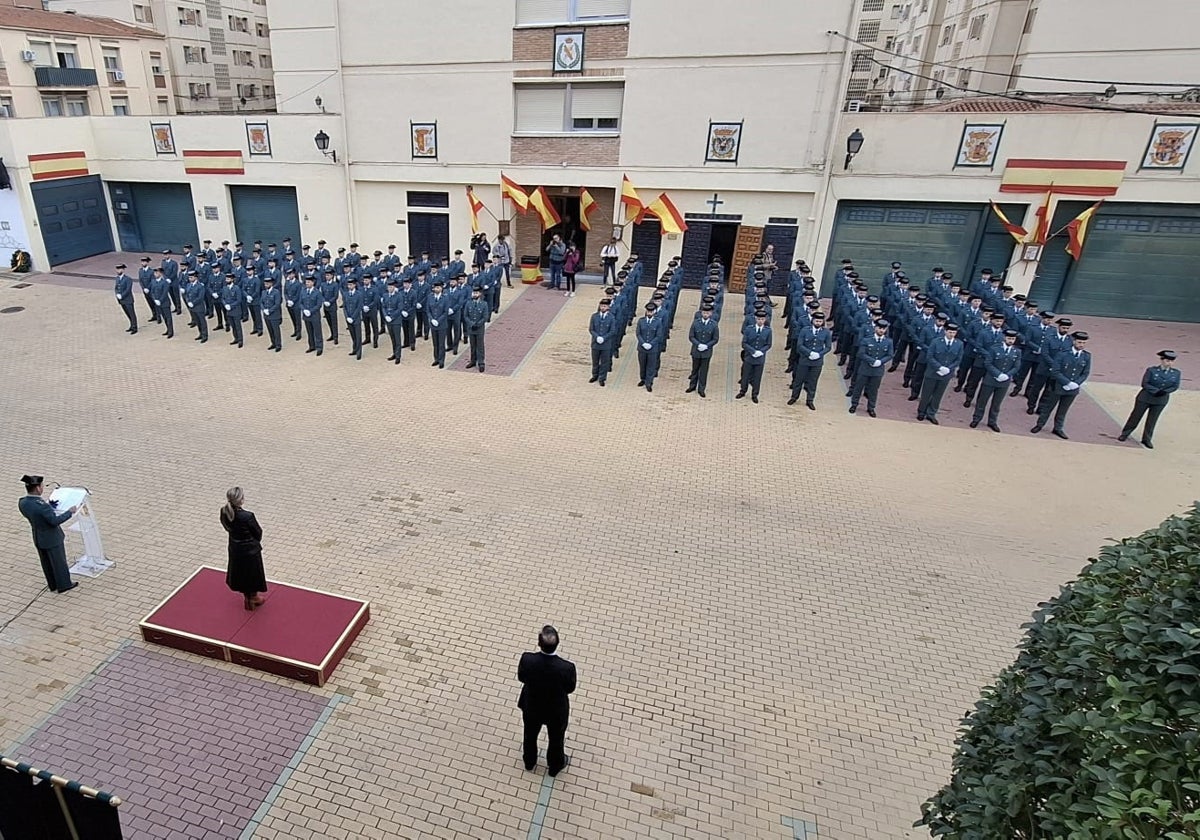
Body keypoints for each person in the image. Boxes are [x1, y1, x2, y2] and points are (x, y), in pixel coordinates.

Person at [518, 625, 577, 777]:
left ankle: (529, 761)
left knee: (529, 734)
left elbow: (522, 677)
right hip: (555, 711)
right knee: (556, 738)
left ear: (539, 643)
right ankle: (555, 765)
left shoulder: (527, 659)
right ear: (558, 643)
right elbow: (570, 688)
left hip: (532, 706)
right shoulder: (567, 668)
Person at [18, 474, 79, 593]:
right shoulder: (42, 507)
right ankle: (64, 584)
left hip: (38, 537)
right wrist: (69, 512)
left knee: (46, 563)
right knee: (59, 562)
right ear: (37, 488)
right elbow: (54, 521)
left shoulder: (23, 502)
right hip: (52, 538)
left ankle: (52, 584)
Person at [1032, 330, 1091, 440]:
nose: (1081, 345)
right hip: (1058, 386)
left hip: (1073, 388)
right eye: (1079, 342)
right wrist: (1067, 382)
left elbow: (1085, 373)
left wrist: (1075, 384)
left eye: (1083, 343)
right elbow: (1055, 371)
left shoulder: (1086, 356)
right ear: (1074, 342)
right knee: (1048, 407)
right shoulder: (1063, 354)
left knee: (1063, 410)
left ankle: (1058, 428)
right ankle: (1039, 424)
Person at [1119, 350, 1181, 449]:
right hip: (1146, 397)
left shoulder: (1176, 373)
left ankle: (1147, 439)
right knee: (1136, 416)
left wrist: (1165, 392)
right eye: (1167, 360)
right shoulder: (1152, 370)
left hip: (1161, 400)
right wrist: (1155, 391)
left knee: (1152, 420)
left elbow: (1175, 386)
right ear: (1162, 360)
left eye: (1171, 361)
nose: (1169, 363)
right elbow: (1145, 383)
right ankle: (1125, 433)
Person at [219, 486, 267, 611]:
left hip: (235, 549)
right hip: (250, 551)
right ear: (241, 500)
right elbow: (258, 532)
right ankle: (253, 598)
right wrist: (254, 542)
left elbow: (226, 527)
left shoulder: (224, 511)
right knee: (253, 574)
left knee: (241, 574)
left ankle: (247, 597)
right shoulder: (247, 516)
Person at [971, 329, 1022, 432]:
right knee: (982, 401)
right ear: (1004, 338)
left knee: (996, 403)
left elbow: (1016, 366)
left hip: (1004, 381)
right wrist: (998, 374)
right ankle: (976, 419)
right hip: (990, 379)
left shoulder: (1017, 351)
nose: (1011, 340)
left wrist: (1007, 375)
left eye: (1012, 339)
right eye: (1009, 338)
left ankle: (992, 421)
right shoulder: (994, 349)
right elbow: (988, 363)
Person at [916, 322, 963, 425]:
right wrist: (939, 367)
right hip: (933, 372)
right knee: (926, 393)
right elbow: (930, 356)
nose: (951, 334)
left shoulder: (959, 344)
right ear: (945, 331)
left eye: (954, 333)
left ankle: (931, 413)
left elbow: (958, 359)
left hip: (946, 373)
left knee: (938, 394)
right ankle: (921, 411)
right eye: (950, 332)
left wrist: (948, 369)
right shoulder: (936, 342)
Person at [849, 320, 894, 417]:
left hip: (877, 370)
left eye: (884, 329)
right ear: (875, 328)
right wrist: (872, 361)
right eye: (880, 328)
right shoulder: (867, 340)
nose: (881, 330)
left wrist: (880, 362)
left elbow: (890, 355)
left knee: (873, 390)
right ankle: (854, 404)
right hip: (865, 368)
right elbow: (861, 353)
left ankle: (871, 407)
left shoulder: (888, 342)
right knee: (858, 387)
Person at [787, 311, 831, 409]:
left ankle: (810, 400)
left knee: (813, 381)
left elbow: (828, 347)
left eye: (820, 321)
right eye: (816, 321)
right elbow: (800, 345)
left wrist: (819, 354)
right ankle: (794, 397)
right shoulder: (805, 330)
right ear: (812, 320)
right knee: (799, 380)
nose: (818, 323)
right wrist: (809, 353)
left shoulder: (826, 332)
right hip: (804, 360)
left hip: (817, 362)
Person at [737, 310, 772, 403]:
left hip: (760, 358)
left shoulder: (768, 331)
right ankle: (742, 391)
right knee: (745, 375)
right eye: (759, 319)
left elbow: (768, 344)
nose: (760, 321)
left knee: (757, 377)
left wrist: (761, 351)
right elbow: (744, 343)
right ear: (755, 319)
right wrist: (752, 351)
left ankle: (755, 394)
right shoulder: (749, 329)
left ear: (765, 320)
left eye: (762, 319)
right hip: (749, 357)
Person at [686, 303, 719, 398]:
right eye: (704, 312)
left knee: (704, 371)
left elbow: (715, 339)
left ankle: (701, 388)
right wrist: (698, 344)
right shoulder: (696, 323)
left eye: (707, 313)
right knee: (694, 369)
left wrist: (706, 346)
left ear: (711, 313)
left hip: (706, 352)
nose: (705, 314)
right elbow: (691, 336)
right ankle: (692, 386)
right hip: (696, 350)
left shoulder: (714, 325)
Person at [635, 302, 664, 392]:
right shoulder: (641, 321)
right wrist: (643, 343)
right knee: (642, 364)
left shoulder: (658, 322)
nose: (649, 313)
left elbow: (659, 335)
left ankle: (649, 382)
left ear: (654, 312)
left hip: (653, 348)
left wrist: (651, 344)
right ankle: (643, 379)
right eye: (648, 311)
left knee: (651, 366)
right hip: (642, 347)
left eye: (651, 312)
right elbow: (638, 333)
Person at [588, 297, 616, 385]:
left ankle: (602, 378)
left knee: (604, 362)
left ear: (608, 307)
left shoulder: (611, 318)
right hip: (595, 343)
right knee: (595, 361)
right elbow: (591, 329)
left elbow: (612, 331)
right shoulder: (594, 316)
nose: (603, 308)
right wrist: (597, 337)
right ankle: (594, 375)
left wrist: (604, 338)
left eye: (605, 306)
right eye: (602, 306)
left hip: (606, 344)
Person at [463, 284, 489, 372]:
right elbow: (465, 315)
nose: (474, 294)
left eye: (476, 293)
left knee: (480, 345)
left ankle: (481, 362)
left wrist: (477, 324)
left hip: (479, 328)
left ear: (480, 294)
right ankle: (473, 360)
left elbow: (485, 317)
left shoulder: (484, 304)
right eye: (474, 293)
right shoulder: (468, 303)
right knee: (472, 345)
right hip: (471, 328)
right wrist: (471, 324)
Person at [260, 275, 283, 352]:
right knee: (270, 330)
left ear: (271, 284)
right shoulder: (263, 292)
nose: (266, 285)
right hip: (266, 315)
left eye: (267, 284)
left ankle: (278, 344)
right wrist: (264, 309)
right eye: (265, 283)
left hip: (274, 315)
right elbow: (261, 302)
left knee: (276, 330)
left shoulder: (276, 292)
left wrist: (269, 310)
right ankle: (273, 343)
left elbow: (277, 304)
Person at [114, 263, 137, 334]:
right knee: (127, 313)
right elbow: (116, 287)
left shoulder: (128, 279)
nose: (118, 270)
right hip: (121, 300)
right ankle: (131, 325)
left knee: (131, 313)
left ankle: (134, 327)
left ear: (123, 270)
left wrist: (122, 295)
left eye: (120, 269)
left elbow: (128, 289)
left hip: (128, 299)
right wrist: (117, 294)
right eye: (117, 269)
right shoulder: (117, 278)